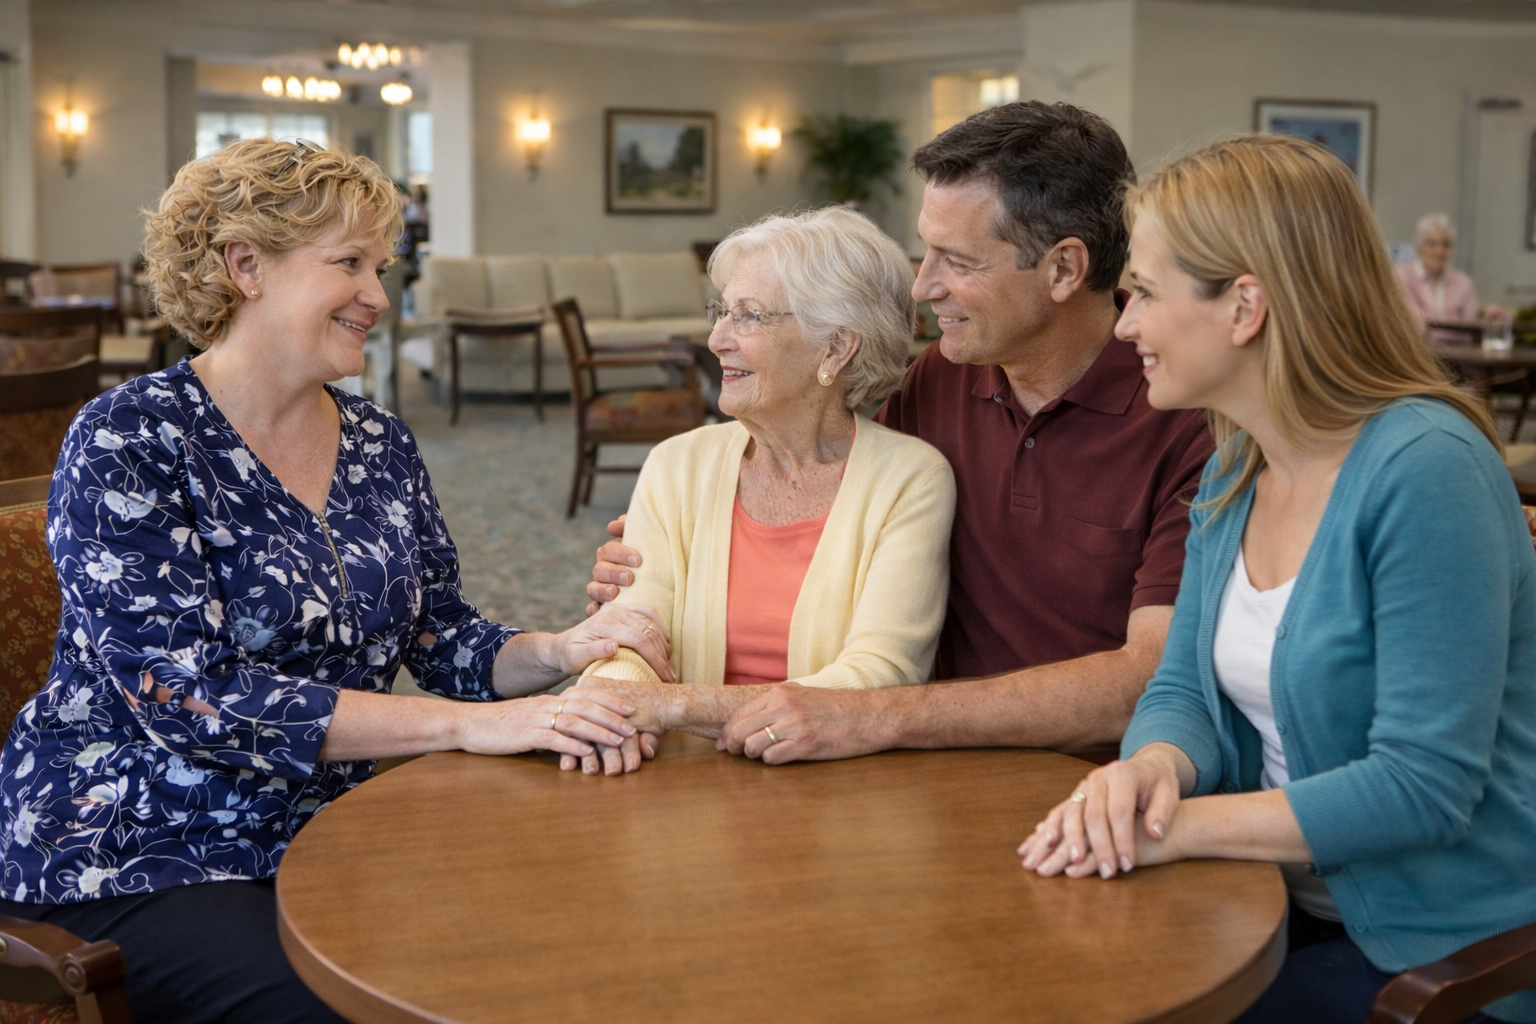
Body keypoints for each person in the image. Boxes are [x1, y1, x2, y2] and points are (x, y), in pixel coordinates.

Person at [0, 138, 671, 1024]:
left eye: (381, 267)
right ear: (246, 266)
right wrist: (479, 728)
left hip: (339, 823)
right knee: (367, 1004)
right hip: (145, 842)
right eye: (348, 264)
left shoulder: (380, 442)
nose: (378, 298)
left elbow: (440, 637)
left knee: (562, 931)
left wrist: (559, 650)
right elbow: (187, 696)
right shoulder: (130, 437)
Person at [1019, 134, 1536, 1024]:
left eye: (1142, 292)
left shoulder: (1427, 470)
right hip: (1268, 909)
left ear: (1244, 306)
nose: (1125, 323)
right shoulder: (1233, 466)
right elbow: (1182, 684)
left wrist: (1172, 829)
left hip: (1441, 958)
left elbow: (1422, 787)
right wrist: (1149, 769)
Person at [588, 101, 1211, 763]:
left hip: (1091, 779)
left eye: (957, 261)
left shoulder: (1186, 420)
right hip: (927, 771)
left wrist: (877, 714)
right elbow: (844, 498)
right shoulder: (943, 376)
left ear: (1063, 269)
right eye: (924, 251)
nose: (921, 287)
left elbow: (1147, 680)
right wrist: (669, 545)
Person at [564, 206, 956, 774]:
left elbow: (876, 679)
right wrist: (609, 710)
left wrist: (671, 707)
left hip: (839, 789)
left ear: (835, 347)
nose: (717, 339)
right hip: (683, 781)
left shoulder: (910, 480)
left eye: (747, 317)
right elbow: (628, 637)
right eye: (720, 312)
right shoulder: (678, 464)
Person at [1395, 212, 1500, 342]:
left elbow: (1471, 327)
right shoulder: (1402, 277)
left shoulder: (1463, 282)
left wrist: (1486, 317)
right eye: (1432, 244)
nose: (1439, 251)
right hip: (1418, 354)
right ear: (1418, 248)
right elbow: (1414, 326)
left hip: (1461, 357)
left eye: (1446, 244)